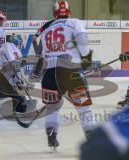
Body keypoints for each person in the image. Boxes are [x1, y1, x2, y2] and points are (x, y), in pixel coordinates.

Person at [30, 0, 95, 150]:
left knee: (52, 109)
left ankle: (51, 137)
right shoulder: (74, 22)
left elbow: (42, 55)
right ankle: (91, 138)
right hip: (70, 72)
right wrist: (86, 57)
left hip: (49, 76)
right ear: (69, 12)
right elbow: (84, 48)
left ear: (54, 13)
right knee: (84, 108)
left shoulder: (46, 29)